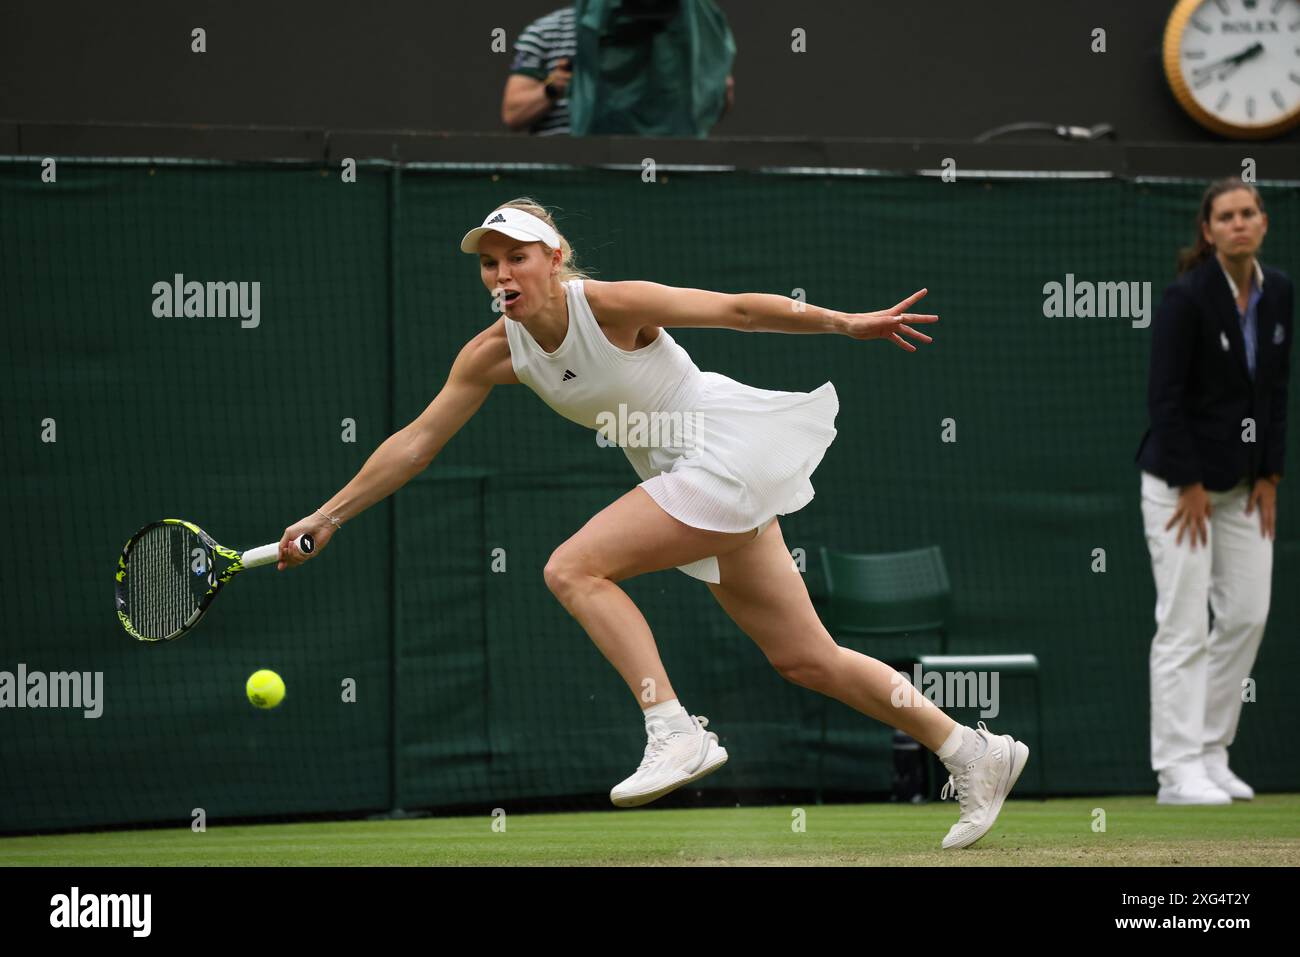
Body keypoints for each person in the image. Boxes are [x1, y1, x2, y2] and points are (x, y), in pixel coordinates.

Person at [275, 198, 1031, 849]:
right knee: (807, 658)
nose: (502, 274)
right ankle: (970, 748)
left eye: (518, 257)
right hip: (687, 479)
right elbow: (416, 441)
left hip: (720, 451)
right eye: (490, 262)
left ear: (554, 257)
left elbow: (735, 308)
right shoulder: (490, 354)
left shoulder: (607, 304)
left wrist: (844, 323)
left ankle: (673, 727)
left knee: (572, 567)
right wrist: (328, 515)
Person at [1135, 178, 1293, 805]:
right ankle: (1177, 770)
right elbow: (1164, 398)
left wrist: (1271, 475)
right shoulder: (1185, 299)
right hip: (1181, 486)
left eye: (1248, 213)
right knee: (1182, 624)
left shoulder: (1279, 292)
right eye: (1225, 216)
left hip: (1246, 485)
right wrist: (1190, 483)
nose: (1238, 224)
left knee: (1248, 614)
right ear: (1208, 230)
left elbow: (1275, 393)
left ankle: (1209, 749)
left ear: (1263, 222)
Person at [501, 4, 734, 137]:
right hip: (563, 171)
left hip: (652, 168)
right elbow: (513, 113)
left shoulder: (677, 36)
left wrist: (711, 87)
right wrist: (554, 88)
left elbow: (715, 103)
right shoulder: (544, 31)